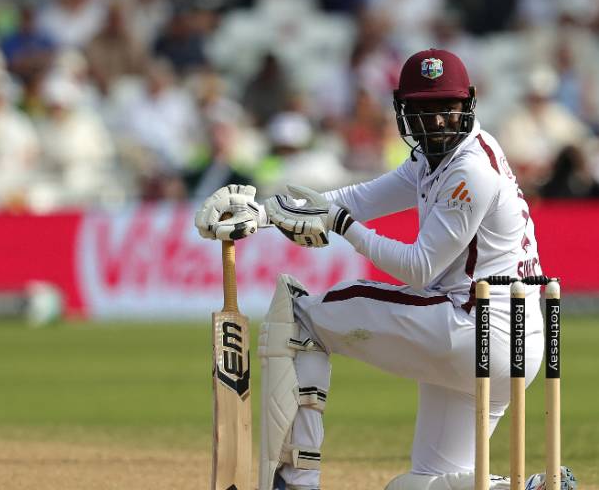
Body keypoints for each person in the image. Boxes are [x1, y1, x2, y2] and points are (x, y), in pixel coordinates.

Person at [194, 49, 563, 490]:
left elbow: (420, 268)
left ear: (468, 103)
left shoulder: (471, 170)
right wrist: (266, 212)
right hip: (513, 341)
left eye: (445, 109)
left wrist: (344, 228)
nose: (435, 122)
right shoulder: (436, 157)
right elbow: (361, 197)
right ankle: (528, 487)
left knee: (301, 316)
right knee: (422, 485)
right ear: (403, 111)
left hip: (477, 327)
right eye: (422, 111)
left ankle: (295, 479)